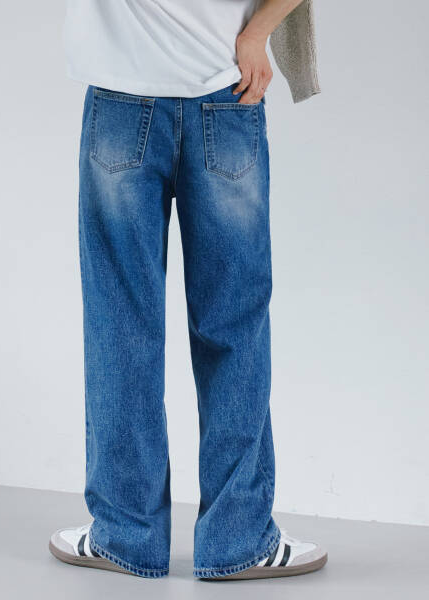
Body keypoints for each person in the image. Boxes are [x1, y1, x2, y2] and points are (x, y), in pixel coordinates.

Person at [49, 0, 327, 580]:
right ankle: (238, 541)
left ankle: (126, 535)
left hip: (123, 98)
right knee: (234, 327)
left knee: (120, 325)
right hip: (225, 91)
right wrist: (256, 33)